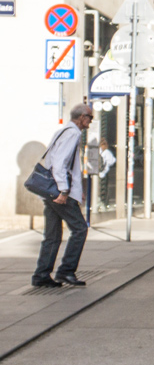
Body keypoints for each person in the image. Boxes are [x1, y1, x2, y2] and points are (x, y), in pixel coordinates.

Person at [32, 104, 94, 288]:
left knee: (52, 235)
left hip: (50, 190)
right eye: (90, 117)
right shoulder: (73, 133)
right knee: (80, 229)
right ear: (82, 117)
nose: (91, 121)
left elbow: (57, 162)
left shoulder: (62, 131)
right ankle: (66, 271)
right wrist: (64, 191)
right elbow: (59, 164)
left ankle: (41, 275)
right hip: (59, 192)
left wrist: (75, 188)